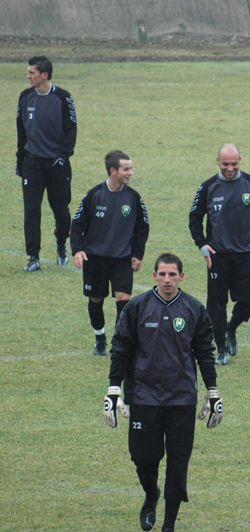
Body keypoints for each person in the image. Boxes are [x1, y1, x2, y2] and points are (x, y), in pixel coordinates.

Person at [104, 253, 222, 532]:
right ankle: (151, 494)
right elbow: (120, 348)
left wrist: (213, 391)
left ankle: (168, 525)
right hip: (145, 397)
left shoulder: (194, 309)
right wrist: (113, 389)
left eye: (172, 274)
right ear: (154, 276)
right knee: (143, 457)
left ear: (182, 277)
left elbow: (205, 352)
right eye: (162, 274)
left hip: (182, 399)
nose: (167, 279)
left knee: (178, 463)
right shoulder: (136, 307)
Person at [189, 143, 250, 365]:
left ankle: (231, 328)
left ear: (241, 160)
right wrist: (202, 245)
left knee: (249, 300)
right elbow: (194, 218)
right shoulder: (208, 187)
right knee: (216, 305)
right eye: (225, 164)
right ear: (217, 161)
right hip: (217, 257)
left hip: (246, 255)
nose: (230, 168)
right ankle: (220, 349)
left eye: (234, 164)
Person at [70, 150, 150, 356]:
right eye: (126, 169)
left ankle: (119, 341)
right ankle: (100, 337)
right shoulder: (94, 195)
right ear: (113, 171)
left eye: (131, 168)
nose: (131, 173)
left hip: (122, 259)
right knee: (96, 300)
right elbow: (77, 224)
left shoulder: (133, 197)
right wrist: (78, 250)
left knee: (123, 299)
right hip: (95, 258)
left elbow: (143, 227)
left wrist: (137, 254)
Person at [16, 55, 77, 272]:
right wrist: (20, 159)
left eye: (31, 72)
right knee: (31, 211)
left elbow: (71, 131)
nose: (28, 76)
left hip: (57, 165)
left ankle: (61, 244)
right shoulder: (25, 97)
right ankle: (33, 257)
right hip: (32, 164)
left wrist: (63, 156)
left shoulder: (63, 98)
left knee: (61, 211)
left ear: (44, 75)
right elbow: (20, 131)